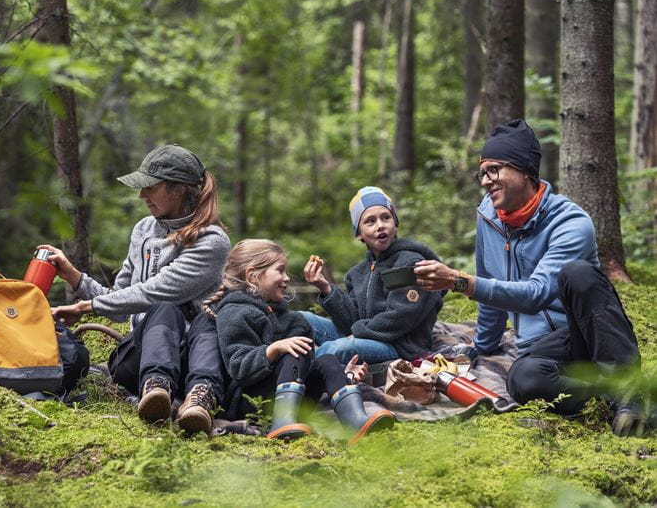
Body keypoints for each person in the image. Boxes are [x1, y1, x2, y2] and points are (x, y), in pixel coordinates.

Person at [413, 119, 645, 436]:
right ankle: (608, 404)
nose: (485, 180)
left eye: (494, 170)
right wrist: (481, 346)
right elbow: (489, 282)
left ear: (524, 170)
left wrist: (458, 282)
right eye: (482, 172)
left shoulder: (571, 222)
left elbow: (535, 294)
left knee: (577, 273)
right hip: (543, 348)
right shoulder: (488, 217)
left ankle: (629, 393)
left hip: (588, 334)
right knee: (523, 381)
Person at [38, 144, 231, 434]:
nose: (142, 195)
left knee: (204, 314)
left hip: (195, 358)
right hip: (139, 359)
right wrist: (75, 277)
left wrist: (84, 308)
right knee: (163, 309)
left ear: (179, 189)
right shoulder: (143, 230)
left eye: (150, 188)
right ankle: (156, 388)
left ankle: (200, 399)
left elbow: (155, 291)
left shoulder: (211, 241)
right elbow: (119, 302)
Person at [203, 239, 396, 443]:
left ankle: (356, 422)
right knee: (293, 352)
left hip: (294, 398)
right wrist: (274, 349)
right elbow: (238, 367)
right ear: (253, 276)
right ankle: (282, 423)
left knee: (328, 361)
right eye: (280, 270)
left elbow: (306, 366)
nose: (287, 278)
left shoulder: (292, 319)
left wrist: (343, 374)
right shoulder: (235, 313)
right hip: (249, 402)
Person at [300, 186, 444, 365]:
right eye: (370, 221)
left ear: (395, 223)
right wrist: (325, 288)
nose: (380, 225)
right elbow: (351, 322)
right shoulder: (357, 274)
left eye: (386, 218)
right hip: (367, 337)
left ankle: (304, 373)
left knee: (337, 348)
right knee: (301, 319)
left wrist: (357, 333)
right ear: (359, 234)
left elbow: (400, 317)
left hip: (400, 347)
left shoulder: (410, 262)